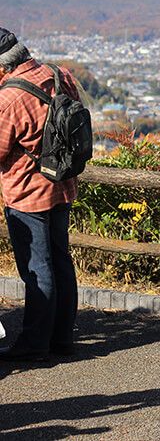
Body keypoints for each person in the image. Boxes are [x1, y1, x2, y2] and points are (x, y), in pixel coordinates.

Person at [0, 27, 82, 361]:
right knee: (61, 261)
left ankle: (34, 344)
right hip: (63, 183)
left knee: (37, 269)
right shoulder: (59, 75)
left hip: (27, 193)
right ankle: (62, 338)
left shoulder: (9, 99)